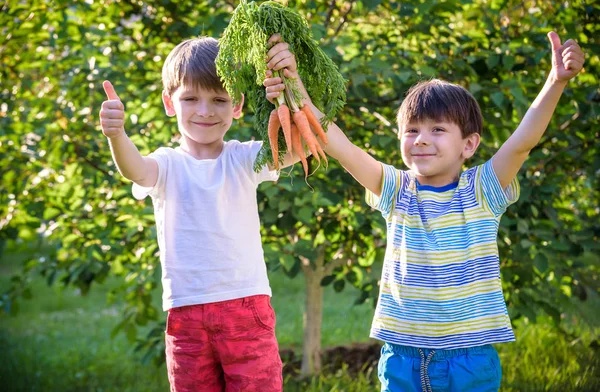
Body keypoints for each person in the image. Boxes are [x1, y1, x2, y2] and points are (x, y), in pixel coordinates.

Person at [264, 31, 585, 391]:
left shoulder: (482, 190)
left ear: (469, 144)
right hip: (403, 358)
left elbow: (523, 142)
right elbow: (339, 145)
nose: (420, 139)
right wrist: (294, 86)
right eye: (412, 129)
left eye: (437, 130)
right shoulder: (396, 190)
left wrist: (556, 82)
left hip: (469, 359)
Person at [99, 35, 299, 392]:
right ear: (169, 103)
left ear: (237, 105)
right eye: (190, 98)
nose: (205, 111)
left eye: (219, 100)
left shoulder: (243, 158)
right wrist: (117, 135)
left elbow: (296, 148)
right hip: (187, 313)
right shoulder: (167, 163)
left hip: (245, 307)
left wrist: (287, 98)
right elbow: (136, 170)